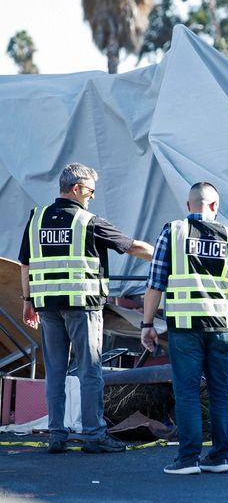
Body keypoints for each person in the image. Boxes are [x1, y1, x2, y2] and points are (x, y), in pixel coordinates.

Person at [19, 163, 155, 454]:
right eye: (90, 191)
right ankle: (94, 436)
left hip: (47, 306)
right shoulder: (87, 221)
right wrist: (166, 256)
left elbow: (26, 264)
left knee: (54, 371)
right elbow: (131, 247)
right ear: (77, 188)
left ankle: (57, 435)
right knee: (90, 371)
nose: (92, 197)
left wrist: (28, 302)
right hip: (83, 306)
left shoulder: (37, 218)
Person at [141, 182, 228, 475]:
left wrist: (148, 324)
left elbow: (155, 284)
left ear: (189, 206)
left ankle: (188, 459)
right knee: (221, 392)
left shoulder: (173, 232)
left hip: (185, 327)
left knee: (187, 392)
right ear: (216, 207)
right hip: (222, 327)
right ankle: (219, 457)